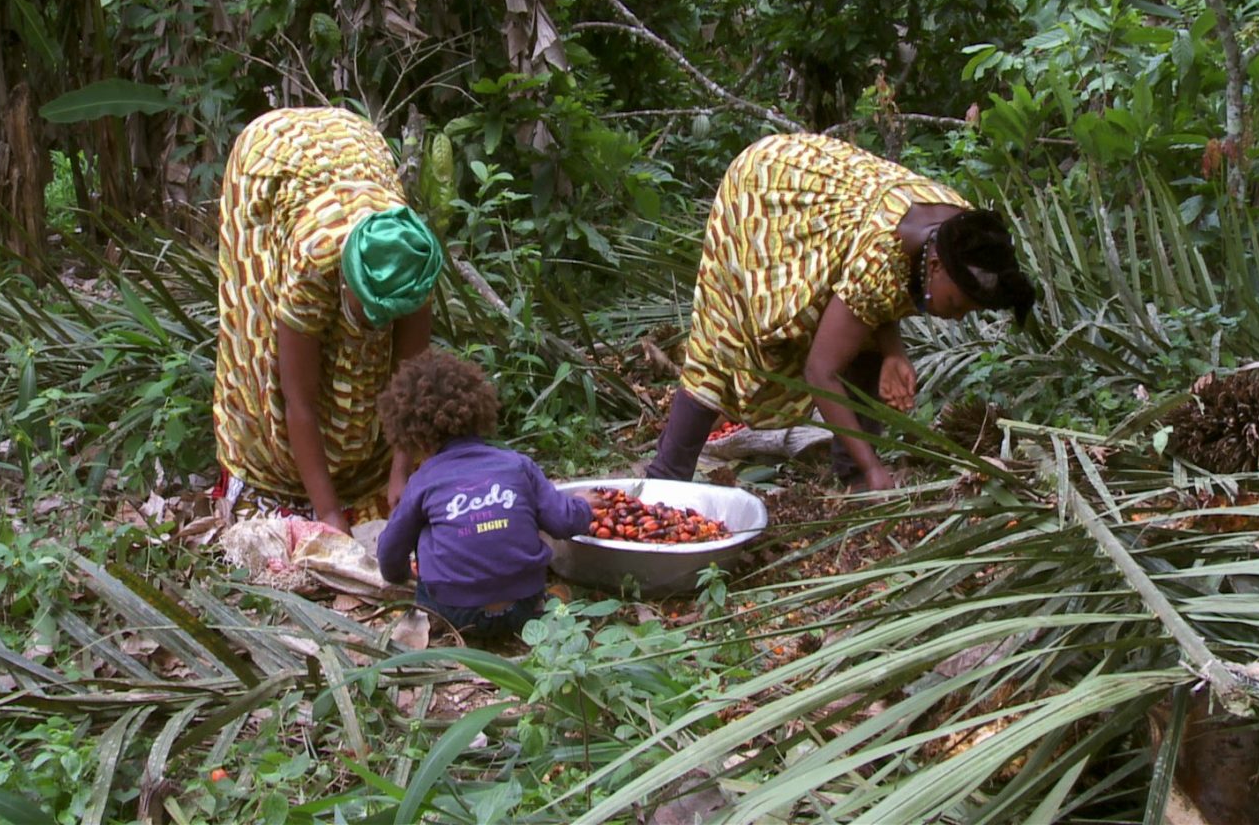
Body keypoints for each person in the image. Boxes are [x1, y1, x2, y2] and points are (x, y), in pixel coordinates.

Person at [647, 133, 1036, 491]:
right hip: (767, 193)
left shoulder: (963, 233)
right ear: (935, 266)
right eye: (956, 305)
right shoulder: (886, 255)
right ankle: (666, 478)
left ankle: (853, 479)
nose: (956, 318)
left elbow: (881, 295)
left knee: (860, 343)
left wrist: (892, 352)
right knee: (723, 342)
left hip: (833, 213)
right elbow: (821, 372)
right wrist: (875, 468)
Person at [213, 107, 443, 533]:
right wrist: (330, 515)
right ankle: (299, 484)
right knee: (262, 346)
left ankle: (366, 472)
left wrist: (400, 471)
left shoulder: (414, 257)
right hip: (270, 165)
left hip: (355, 150)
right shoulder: (313, 264)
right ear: (345, 281)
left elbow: (411, 376)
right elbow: (298, 400)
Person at [376, 351, 595, 639]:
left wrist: (402, 574)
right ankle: (550, 604)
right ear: (479, 409)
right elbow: (563, 521)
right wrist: (584, 504)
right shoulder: (517, 465)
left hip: (454, 611)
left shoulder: (423, 481)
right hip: (524, 606)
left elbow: (389, 554)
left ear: (412, 435)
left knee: (426, 535)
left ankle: (440, 620)